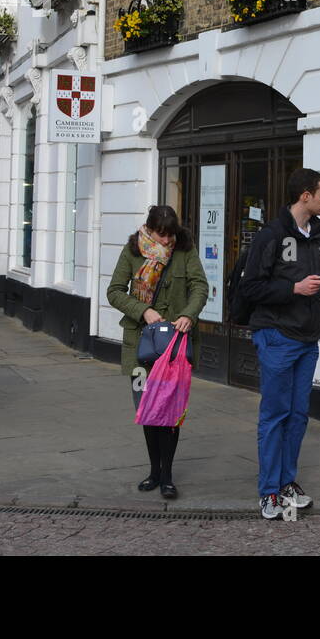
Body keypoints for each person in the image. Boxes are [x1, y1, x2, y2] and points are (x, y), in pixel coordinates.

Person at [241, 168, 320, 519]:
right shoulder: (271, 235)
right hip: (277, 336)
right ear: (305, 196)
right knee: (275, 415)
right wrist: (291, 288)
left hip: (308, 339)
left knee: (297, 415)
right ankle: (269, 492)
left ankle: (286, 482)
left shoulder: (317, 236)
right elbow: (250, 287)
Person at [106, 205, 207, 500]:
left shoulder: (185, 250)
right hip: (141, 347)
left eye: (170, 235)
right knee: (147, 411)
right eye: (161, 235)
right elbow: (114, 291)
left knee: (171, 412)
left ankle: (167, 476)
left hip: (174, 347)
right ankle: (153, 471)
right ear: (149, 229)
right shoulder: (133, 250)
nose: (166, 241)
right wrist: (144, 311)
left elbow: (200, 286)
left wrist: (189, 314)